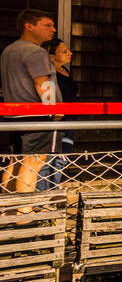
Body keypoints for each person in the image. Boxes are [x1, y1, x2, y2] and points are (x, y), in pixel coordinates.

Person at [1, 10, 61, 194]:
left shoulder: (9, 50)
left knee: (16, 161)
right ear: (29, 26)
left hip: (14, 115)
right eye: (47, 25)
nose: (53, 29)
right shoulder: (35, 51)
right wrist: (54, 109)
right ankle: (24, 212)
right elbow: (42, 84)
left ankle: (7, 208)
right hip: (37, 114)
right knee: (33, 162)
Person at [36, 37, 77, 191]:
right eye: (64, 51)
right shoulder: (49, 73)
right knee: (48, 159)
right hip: (56, 120)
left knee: (62, 158)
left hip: (69, 120)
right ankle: (44, 195)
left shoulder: (65, 71)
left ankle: (54, 192)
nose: (70, 53)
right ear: (51, 56)